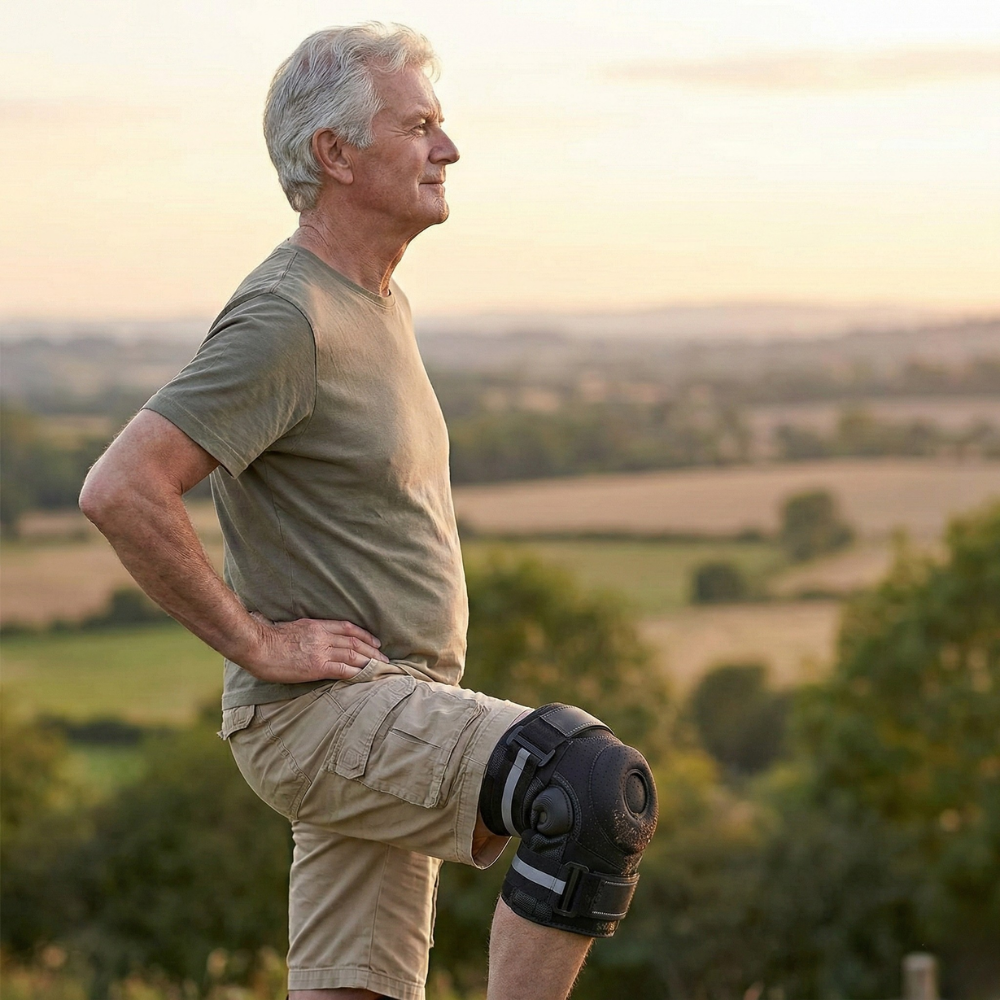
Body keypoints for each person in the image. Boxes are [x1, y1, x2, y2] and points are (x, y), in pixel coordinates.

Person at [80, 23, 657, 1000]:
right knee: (588, 789)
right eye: (420, 125)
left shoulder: (376, 302)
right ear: (334, 154)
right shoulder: (286, 317)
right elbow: (120, 488)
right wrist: (254, 642)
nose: (448, 148)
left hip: (393, 702)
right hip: (328, 716)